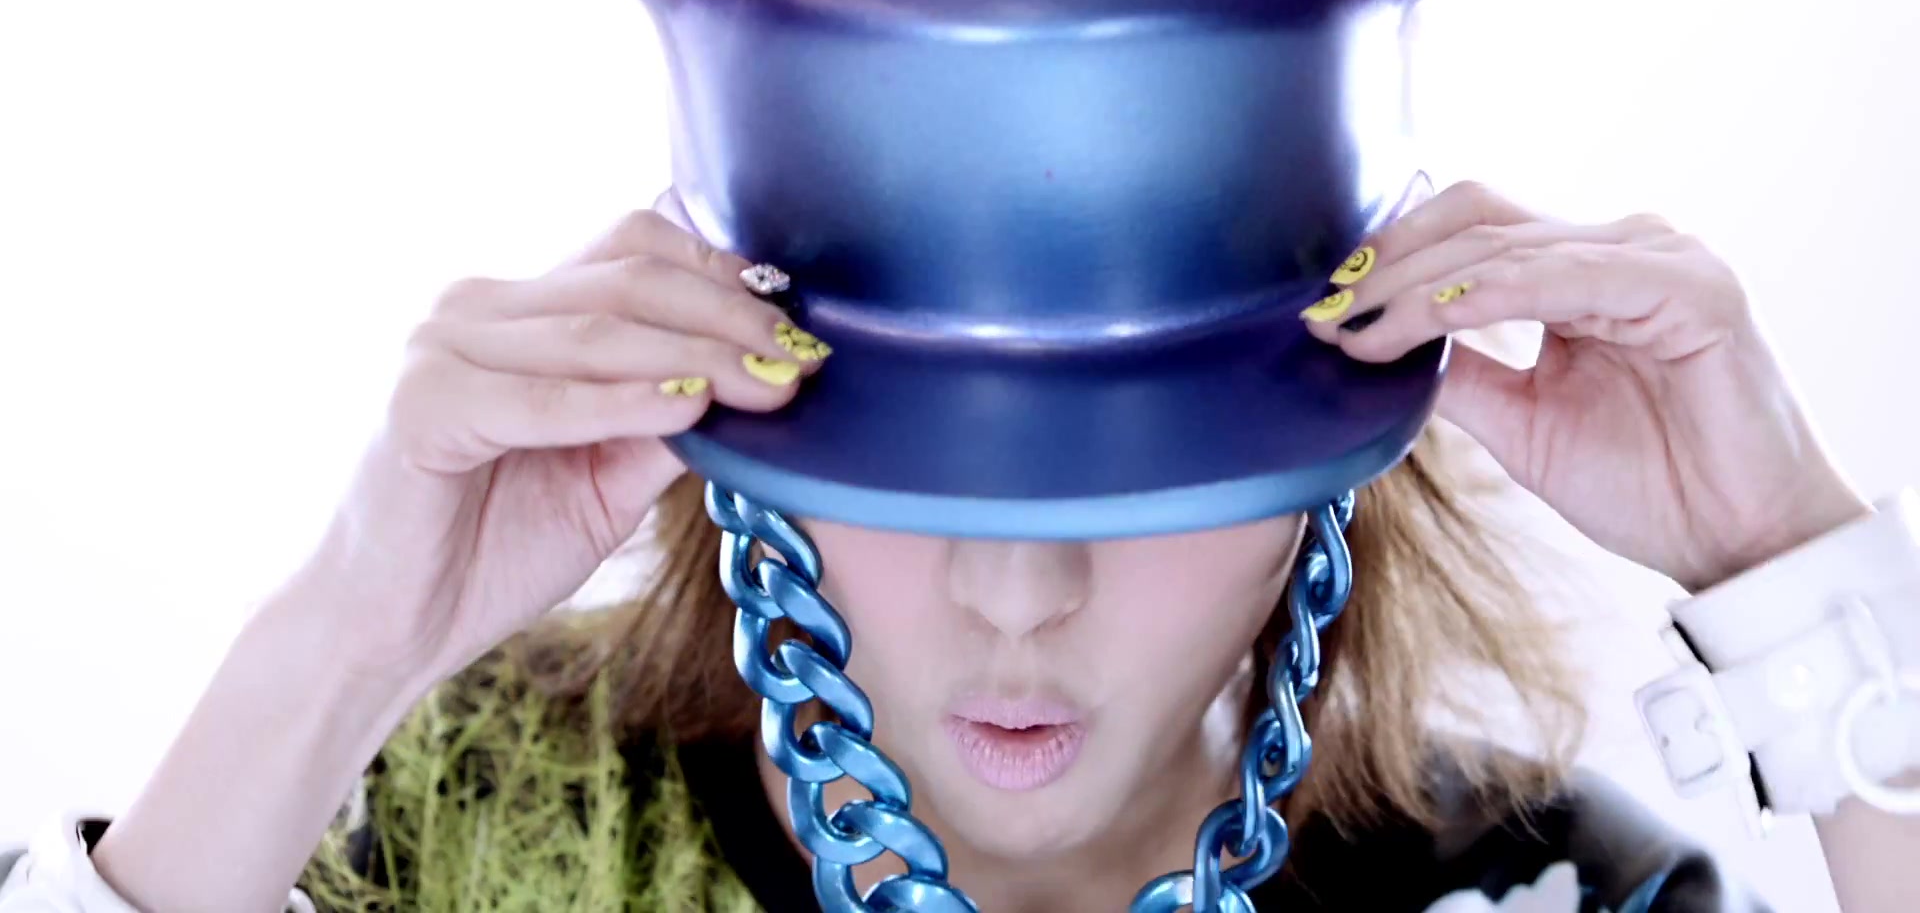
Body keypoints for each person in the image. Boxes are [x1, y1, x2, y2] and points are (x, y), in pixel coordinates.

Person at [2, 178, 1916, 913]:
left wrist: (1794, 564)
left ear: (1330, 461)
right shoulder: (481, 820)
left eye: (1144, 478)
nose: (1017, 596)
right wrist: (345, 636)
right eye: (908, 459)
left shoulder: (1539, 893)